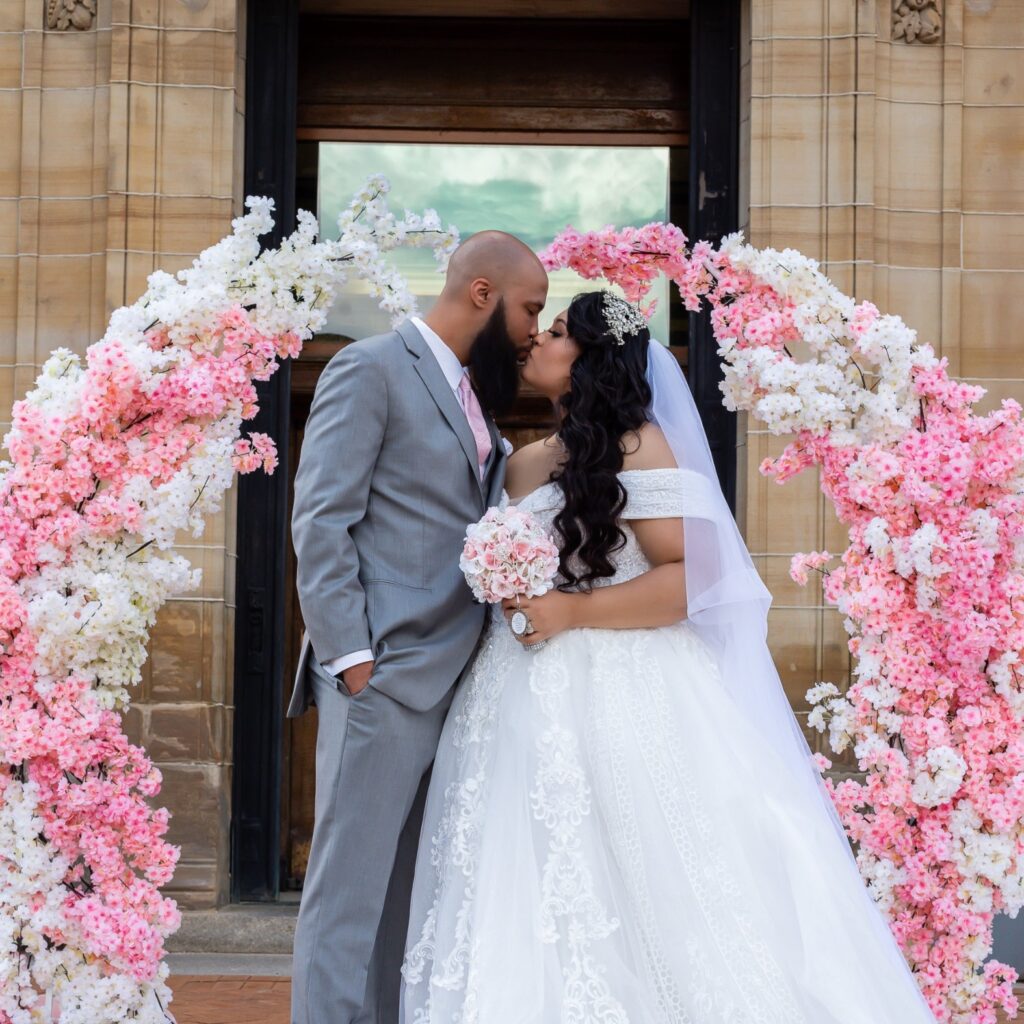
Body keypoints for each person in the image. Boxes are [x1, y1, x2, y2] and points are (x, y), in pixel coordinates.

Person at [400, 290, 939, 1023]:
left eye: (556, 333)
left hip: (628, 684)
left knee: (653, 868)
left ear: (592, 359)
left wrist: (568, 611)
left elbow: (690, 581)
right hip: (520, 691)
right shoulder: (523, 464)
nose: (537, 343)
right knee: (525, 868)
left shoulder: (640, 445)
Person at [288, 230, 548, 1024]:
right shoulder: (368, 370)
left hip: (457, 679)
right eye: (531, 307)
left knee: (410, 897)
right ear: (482, 293)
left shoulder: (474, 397)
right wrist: (353, 659)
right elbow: (321, 520)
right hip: (385, 679)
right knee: (347, 896)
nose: (537, 327)